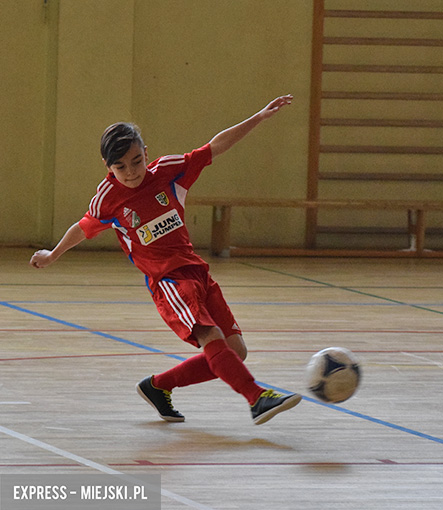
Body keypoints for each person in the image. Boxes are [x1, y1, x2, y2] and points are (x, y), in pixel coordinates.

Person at [30, 94, 302, 426]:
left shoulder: (169, 172)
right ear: (107, 167)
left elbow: (214, 147)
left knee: (236, 350)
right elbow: (83, 227)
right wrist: (52, 254)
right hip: (168, 281)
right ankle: (256, 398)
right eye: (120, 167)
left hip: (196, 270)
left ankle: (158, 387)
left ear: (146, 153)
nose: (130, 172)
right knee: (212, 337)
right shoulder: (108, 199)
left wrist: (258, 117)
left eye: (135, 161)